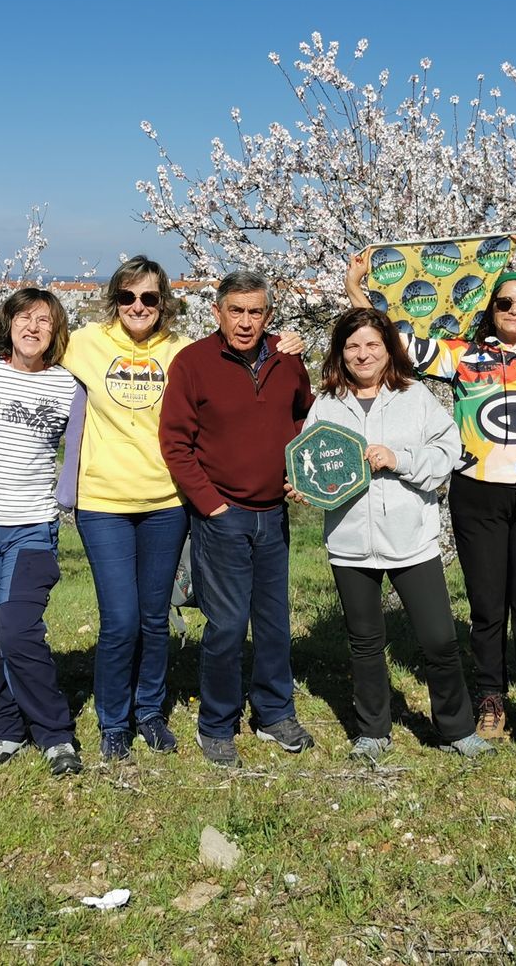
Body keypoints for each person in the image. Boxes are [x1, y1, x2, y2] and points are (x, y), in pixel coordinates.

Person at [345, 233, 516, 764]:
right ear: (491, 307)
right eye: (504, 302)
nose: (515, 310)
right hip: (478, 494)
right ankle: (490, 700)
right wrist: (355, 287)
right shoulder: (463, 356)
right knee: (485, 606)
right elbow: (391, 339)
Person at [293, 307, 495, 762]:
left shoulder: (415, 396)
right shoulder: (325, 404)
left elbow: (447, 453)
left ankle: (457, 728)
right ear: (340, 354)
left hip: (411, 538)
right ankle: (372, 730)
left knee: (439, 638)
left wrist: (398, 458)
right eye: (352, 347)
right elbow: (313, 463)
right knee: (364, 642)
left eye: (371, 345)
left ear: (388, 349)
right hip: (350, 542)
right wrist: (306, 487)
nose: (362, 355)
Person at [159, 270, 315, 767]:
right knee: (226, 625)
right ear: (218, 312)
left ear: (268, 315)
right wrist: (212, 505)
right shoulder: (194, 363)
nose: (246, 322)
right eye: (236, 311)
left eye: (255, 312)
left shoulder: (288, 360)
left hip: (273, 514)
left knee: (273, 622)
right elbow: (175, 444)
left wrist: (301, 475)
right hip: (223, 515)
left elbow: (305, 418)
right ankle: (217, 723)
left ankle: (273, 712)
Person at [58, 256, 193, 761]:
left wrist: (284, 344)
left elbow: (238, 359)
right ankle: (113, 721)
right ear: (115, 300)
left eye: (150, 298)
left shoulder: (182, 351)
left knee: (155, 617)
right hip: (103, 502)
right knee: (120, 619)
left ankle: (150, 713)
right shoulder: (86, 343)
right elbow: (14, 349)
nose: (139, 306)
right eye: (128, 297)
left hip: (165, 502)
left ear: (164, 304)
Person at [0, 288, 85, 776]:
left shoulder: (70, 384)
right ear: (7, 325)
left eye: (44, 320)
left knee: (19, 633)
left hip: (32, 525)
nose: (32, 327)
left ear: (56, 330)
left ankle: (55, 735)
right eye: (23, 317)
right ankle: (6, 729)